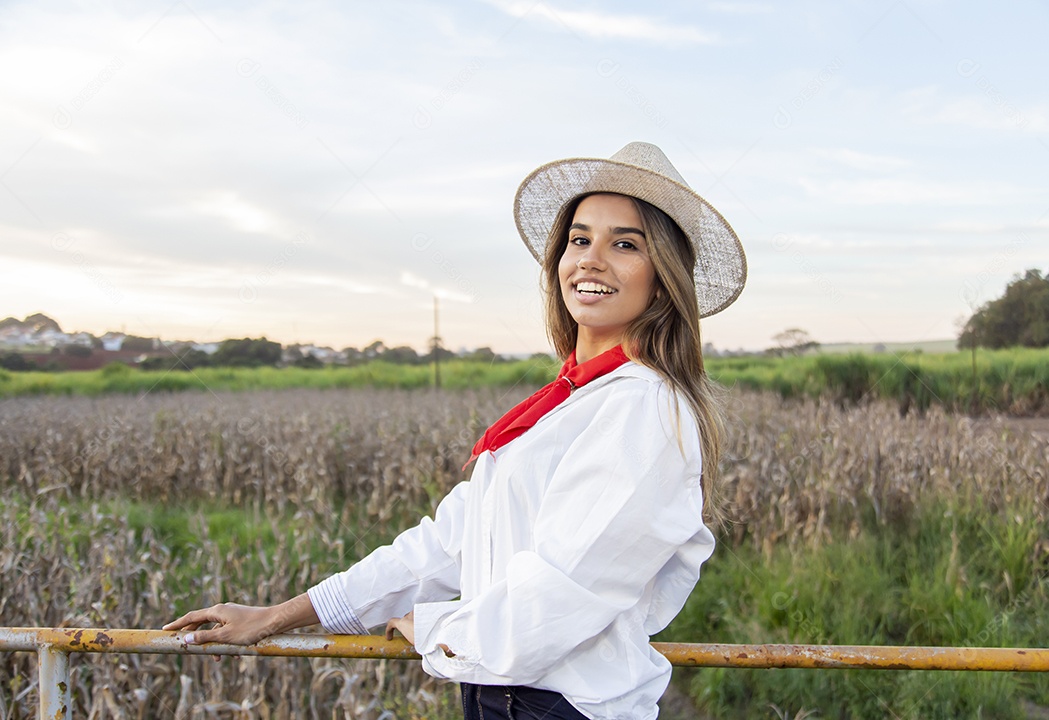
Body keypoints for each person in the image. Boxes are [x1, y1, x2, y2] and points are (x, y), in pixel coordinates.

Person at [165, 141, 747, 720]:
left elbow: (564, 592)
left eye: (625, 244)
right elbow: (444, 544)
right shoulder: (569, 403)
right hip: (511, 701)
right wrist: (277, 615)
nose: (591, 260)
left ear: (664, 275)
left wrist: (437, 628)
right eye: (579, 239)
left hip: (566, 708)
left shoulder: (642, 408)